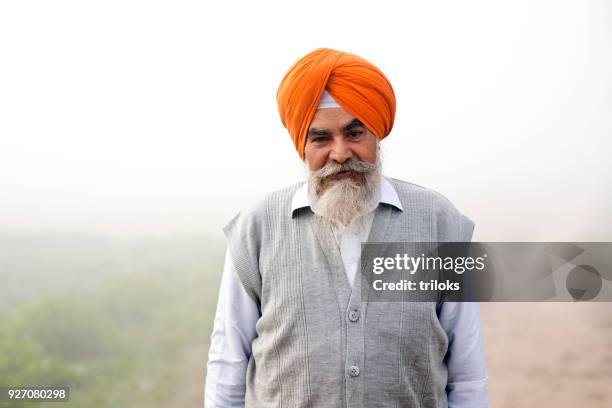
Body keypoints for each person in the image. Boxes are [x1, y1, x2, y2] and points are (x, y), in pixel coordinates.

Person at [204, 48, 488, 407]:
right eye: (321, 138)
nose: (340, 153)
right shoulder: (257, 228)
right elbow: (227, 365)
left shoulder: (440, 222)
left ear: (376, 136)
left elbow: (467, 375)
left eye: (355, 133)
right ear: (302, 146)